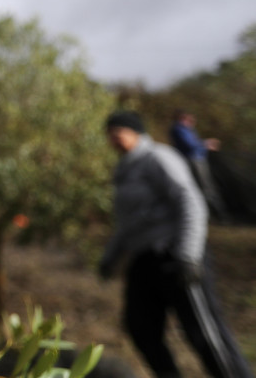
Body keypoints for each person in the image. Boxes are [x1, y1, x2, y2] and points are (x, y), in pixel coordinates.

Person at [99, 111, 252, 378]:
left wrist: (189, 255)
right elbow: (128, 222)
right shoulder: (124, 169)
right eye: (110, 136)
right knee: (140, 327)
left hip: (175, 253)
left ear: (136, 132)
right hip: (144, 258)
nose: (114, 141)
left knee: (203, 332)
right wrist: (110, 257)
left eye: (118, 133)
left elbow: (190, 201)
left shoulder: (158, 157)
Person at [169, 110, 228, 221]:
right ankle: (217, 214)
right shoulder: (179, 129)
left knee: (205, 186)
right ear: (182, 118)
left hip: (197, 159)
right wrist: (207, 143)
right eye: (189, 119)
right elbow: (190, 145)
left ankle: (214, 213)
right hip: (193, 161)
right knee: (205, 187)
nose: (192, 121)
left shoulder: (187, 129)